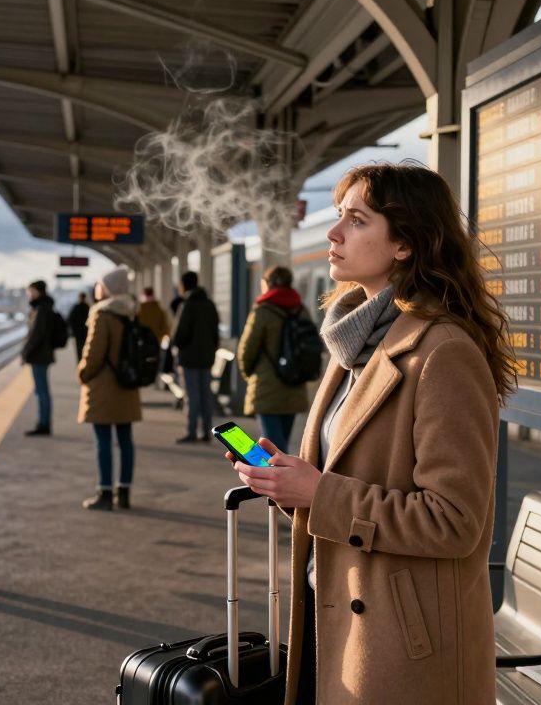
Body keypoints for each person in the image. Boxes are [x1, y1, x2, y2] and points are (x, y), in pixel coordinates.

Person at [228, 163, 517, 704]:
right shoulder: (354, 345)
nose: (335, 233)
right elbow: (351, 485)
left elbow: (455, 521)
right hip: (340, 616)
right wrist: (292, 484)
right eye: (338, 217)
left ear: (405, 243)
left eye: (356, 220)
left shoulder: (443, 352)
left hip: (406, 647)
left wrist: (321, 493)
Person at [77, 266, 142, 511]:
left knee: (103, 440)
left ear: (109, 287)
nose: (96, 288)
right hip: (127, 383)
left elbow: (93, 353)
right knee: (126, 440)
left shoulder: (101, 314)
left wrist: (82, 374)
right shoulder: (132, 312)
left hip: (104, 385)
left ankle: (104, 492)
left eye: (99, 284)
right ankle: (123, 492)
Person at [236, 266, 312, 454]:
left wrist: (249, 375)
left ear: (267, 284)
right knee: (281, 442)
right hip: (294, 383)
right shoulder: (301, 310)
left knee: (273, 447)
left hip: (266, 385)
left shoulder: (263, 311)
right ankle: (279, 478)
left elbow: (247, 350)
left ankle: (278, 480)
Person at [170, 271, 220, 443]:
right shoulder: (209, 305)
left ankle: (191, 431)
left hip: (189, 359)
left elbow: (179, 335)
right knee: (205, 395)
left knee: (191, 396)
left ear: (183, 285)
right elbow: (215, 332)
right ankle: (207, 431)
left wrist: (178, 346)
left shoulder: (187, 305)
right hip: (206, 358)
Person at [22, 280, 58, 436]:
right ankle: (43, 422)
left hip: (39, 356)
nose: (28, 294)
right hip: (43, 354)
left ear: (37, 291)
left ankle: (43, 424)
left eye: (30, 291)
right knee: (42, 390)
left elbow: (36, 334)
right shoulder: (44, 306)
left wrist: (26, 353)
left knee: (41, 391)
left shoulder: (41, 308)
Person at [67, 291, 90, 362]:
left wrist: (72, 330)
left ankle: (81, 365)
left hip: (78, 333)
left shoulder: (76, 307)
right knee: (87, 349)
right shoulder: (88, 308)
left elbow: (69, 320)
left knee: (79, 350)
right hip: (86, 333)